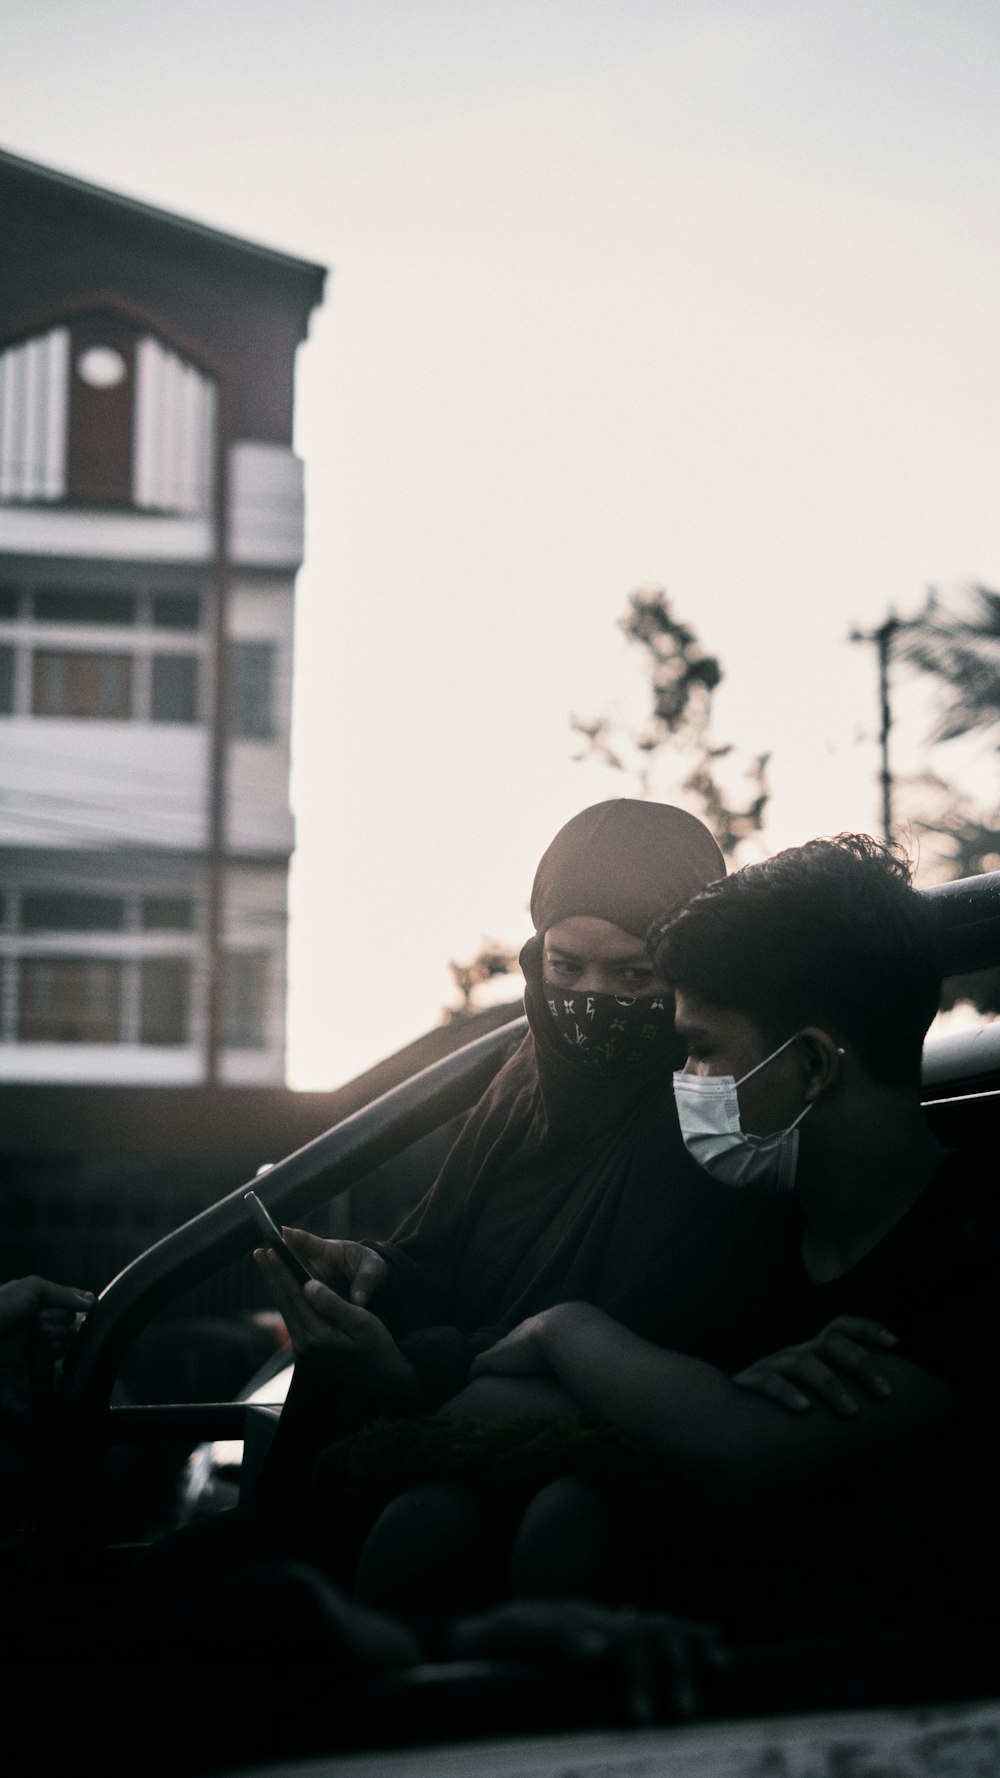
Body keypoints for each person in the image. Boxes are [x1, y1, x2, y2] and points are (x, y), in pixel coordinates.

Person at [447, 834, 994, 1630]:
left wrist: (564, 1331)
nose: (687, 1083)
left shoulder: (973, 1247)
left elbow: (739, 1449)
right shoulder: (753, 1234)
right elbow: (479, 1403)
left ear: (812, 1065)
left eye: (700, 1050)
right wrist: (691, 1397)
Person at [253, 798, 775, 1494]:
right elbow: (449, 1259)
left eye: (633, 976)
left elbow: (647, 1351)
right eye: (567, 967)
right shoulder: (520, 1083)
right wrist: (374, 1273)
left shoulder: (708, 1121)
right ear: (537, 960)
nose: (593, 1000)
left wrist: (412, 1374)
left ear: (686, 977)